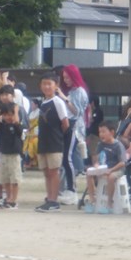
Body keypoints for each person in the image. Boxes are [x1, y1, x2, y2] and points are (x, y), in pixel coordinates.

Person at [35, 72, 69, 212]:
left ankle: (54, 201)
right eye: (44, 84)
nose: (46, 87)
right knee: (46, 172)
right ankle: (49, 198)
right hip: (43, 142)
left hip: (54, 142)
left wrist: (57, 135)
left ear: (56, 85)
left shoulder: (58, 102)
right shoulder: (43, 102)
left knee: (54, 172)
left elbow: (65, 123)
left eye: (49, 84)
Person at [56, 64, 89, 205]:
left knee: (67, 158)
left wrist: (64, 98)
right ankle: (66, 189)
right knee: (65, 159)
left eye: (68, 77)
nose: (66, 80)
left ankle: (71, 190)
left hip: (74, 127)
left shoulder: (79, 91)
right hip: (69, 126)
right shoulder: (73, 91)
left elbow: (77, 112)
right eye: (64, 78)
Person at [85, 120, 127, 214]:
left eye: (103, 132)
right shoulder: (101, 144)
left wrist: (111, 170)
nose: (101, 134)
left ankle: (109, 204)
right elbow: (96, 159)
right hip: (104, 168)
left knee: (111, 177)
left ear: (112, 132)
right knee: (88, 173)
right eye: (100, 132)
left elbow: (122, 163)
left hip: (117, 169)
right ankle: (92, 200)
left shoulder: (118, 145)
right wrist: (96, 165)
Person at [0, 102, 24, 209]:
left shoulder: (17, 126)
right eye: (6, 115)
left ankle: (13, 200)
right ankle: (8, 198)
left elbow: (18, 127)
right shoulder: (2, 126)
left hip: (14, 155)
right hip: (4, 154)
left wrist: (16, 112)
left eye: (11, 114)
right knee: (5, 178)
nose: (8, 117)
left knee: (14, 179)